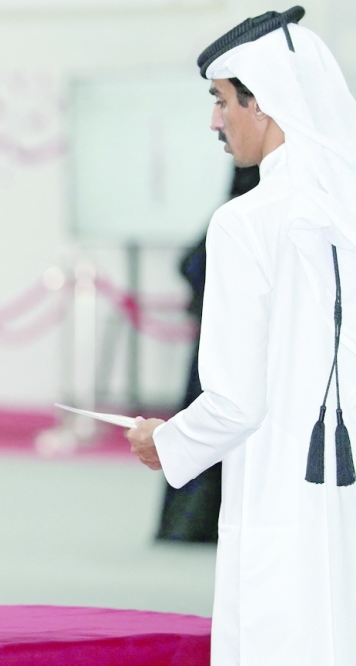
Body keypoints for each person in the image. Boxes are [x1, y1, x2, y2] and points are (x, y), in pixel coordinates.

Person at [126, 7, 356, 663]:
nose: (214, 121)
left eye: (223, 100)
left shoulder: (246, 222)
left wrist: (163, 443)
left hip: (283, 496)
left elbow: (234, 402)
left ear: (268, 103)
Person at [155, 166, 259, 543]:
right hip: (227, 348)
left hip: (220, 348)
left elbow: (190, 266)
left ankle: (187, 525)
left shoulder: (244, 215)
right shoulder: (243, 215)